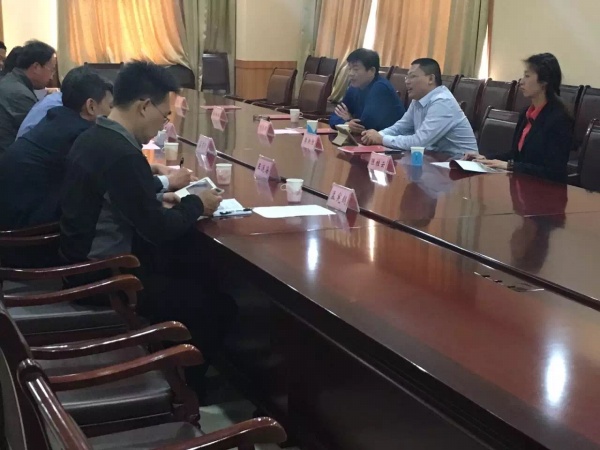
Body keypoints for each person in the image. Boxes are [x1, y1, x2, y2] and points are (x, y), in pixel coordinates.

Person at [59, 61, 228, 395]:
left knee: (192, 272)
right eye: (165, 116)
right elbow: (158, 230)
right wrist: (198, 204)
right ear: (144, 106)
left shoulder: (95, 136)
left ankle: (166, 360)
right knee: (215, 306)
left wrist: (161, 194)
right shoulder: (122, 153)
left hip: (80, 263)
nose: (164, 125)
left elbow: (122, 196)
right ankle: (184, 390)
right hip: (103, 279)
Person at [466, 53, 573, 183]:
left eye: (527, 76)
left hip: (547, 190)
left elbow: (554, 172)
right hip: (523, 186)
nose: (521, 81)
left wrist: (511, 166)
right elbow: (516, 155)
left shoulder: (559, 119)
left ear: (544, 82)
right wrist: (485, 158)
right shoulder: (526, 114)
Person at [361, 58, 478, 156]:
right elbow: (401, 127)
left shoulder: (442, 102)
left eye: (412, 76)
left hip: (461, 165)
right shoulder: (418, 99)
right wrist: (376, 135)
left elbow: (419, 142)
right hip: (435, 161)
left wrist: (382, 139)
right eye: (407, 77)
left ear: (430, 79)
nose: (407, 81)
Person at [0, 40, 56, 154]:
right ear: (36, 67)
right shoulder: (18, 94)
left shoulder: (11, 81)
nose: (51, 77)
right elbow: (43, 133)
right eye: (51, 70)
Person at [329, 48, 405, 133]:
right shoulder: (354, 87)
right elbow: (334, 116)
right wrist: (346, 123)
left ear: (372, 71)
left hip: (391, 138)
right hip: (368, 137)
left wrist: (349, 119)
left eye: (356, 69)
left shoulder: (380, 88)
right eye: (349, 69)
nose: (350, 73)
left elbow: (364, 125)